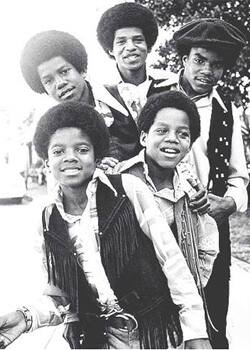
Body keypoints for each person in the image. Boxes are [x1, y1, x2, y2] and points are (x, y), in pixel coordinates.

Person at [0, 101, 211, 349]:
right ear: (46, 162)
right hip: (97, 339)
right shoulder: (47, 220)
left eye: (81, 149)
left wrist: (195, 331)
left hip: (154, 333)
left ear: (97, 155)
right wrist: (25, 318)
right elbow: (60, 297)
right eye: (58, 152)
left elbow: (173, 263)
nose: (70, 158)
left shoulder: (128, 190)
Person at [154, 18, 249, 348]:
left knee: (212, 314)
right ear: (183, 59)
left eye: (217, 65)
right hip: (158, 220)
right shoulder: (154, 95)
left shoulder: (227, 111)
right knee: (161, 311)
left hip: (209, 224)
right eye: (199, 60)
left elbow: (239, 175)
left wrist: (231, 203)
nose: (207, 70)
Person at [115, 90, 219, 288]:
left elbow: (207, 241)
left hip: (175, 296)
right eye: (162, 130)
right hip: (128, 295)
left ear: (189, 147)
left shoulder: (190, 187)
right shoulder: (119, 177)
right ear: (144, 138)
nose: (172, 138)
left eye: (183, 134)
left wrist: (193, 286)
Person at [96, 2, 176, 165]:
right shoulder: (101, 94)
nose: (130, 47)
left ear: (149, 45)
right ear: (110, 49)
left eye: (138, 40)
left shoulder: (170, 85)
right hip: (123, 180)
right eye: (121, 42)